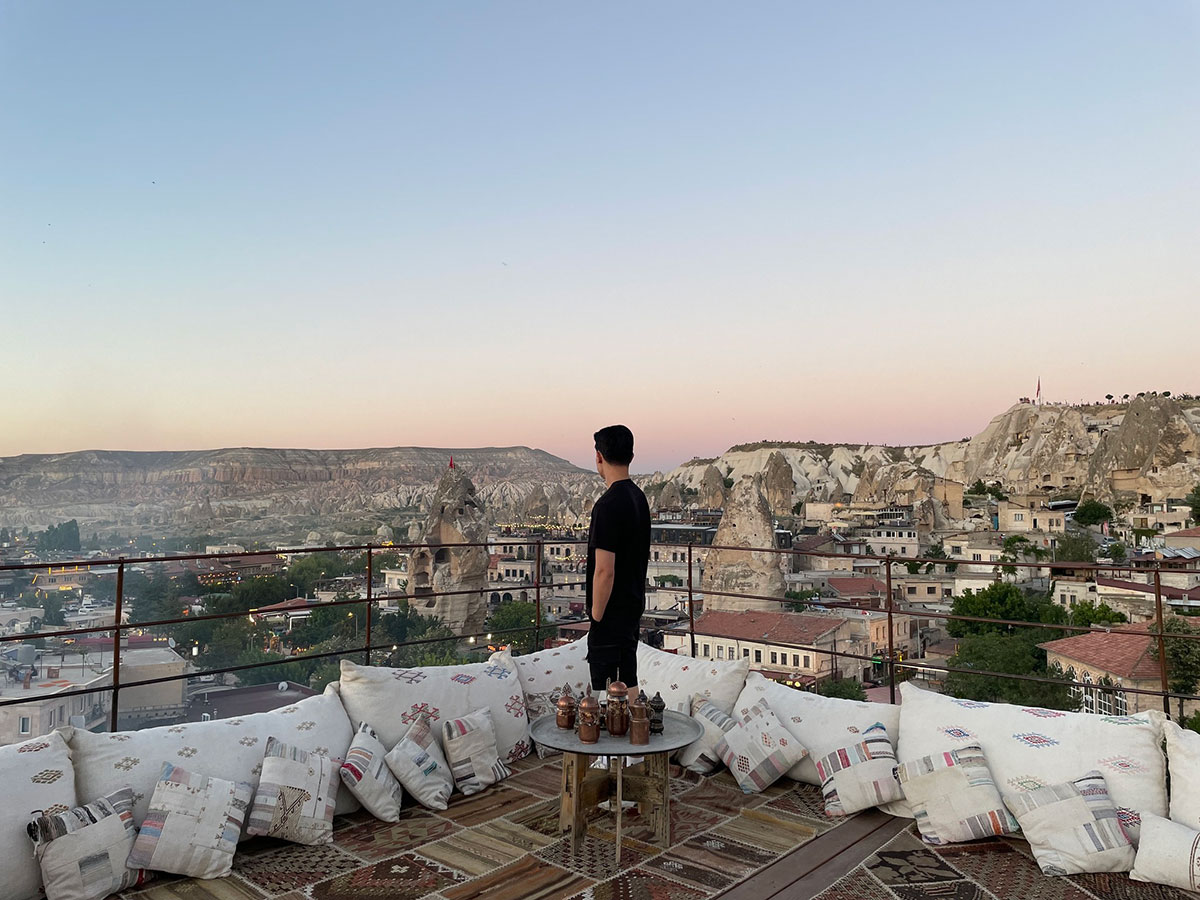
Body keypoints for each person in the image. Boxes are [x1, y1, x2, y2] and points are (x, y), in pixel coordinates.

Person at [585, 424, 651, 692]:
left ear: (599, 456)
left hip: (610, 615)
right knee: (628, 681)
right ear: (631, 456)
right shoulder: (639, 498)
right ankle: (637, 721)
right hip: (632, 608)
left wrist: (596, 615)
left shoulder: (607, 505)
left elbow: (604, 571)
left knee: (607, 695)